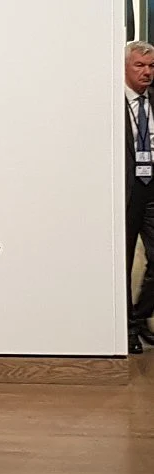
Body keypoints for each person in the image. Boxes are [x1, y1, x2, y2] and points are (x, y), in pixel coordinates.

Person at [124, 40, 154, 354]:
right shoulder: (114, 102)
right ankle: (127, 327)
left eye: (151, 66)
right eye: (139, 66)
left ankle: (141, 315)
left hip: (152, 188)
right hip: (127, 190)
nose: (147, 72)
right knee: (125, 258)